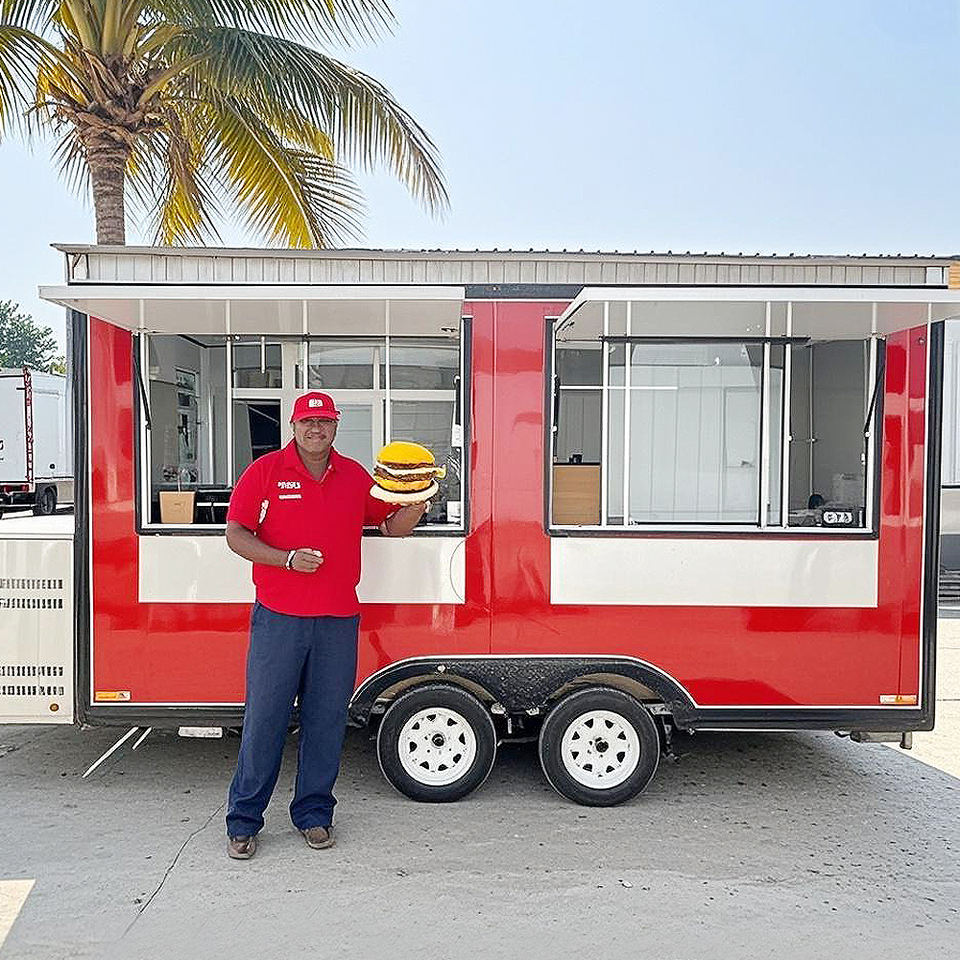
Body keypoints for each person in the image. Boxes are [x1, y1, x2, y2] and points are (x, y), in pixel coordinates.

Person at [223, 391, 427, 859]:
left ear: (335, 426)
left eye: (325, 422)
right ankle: (243, 821)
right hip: (279, 618)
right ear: (294, 426)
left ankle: (314, 815)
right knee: (265, 721)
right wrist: (286, 559)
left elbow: (391, 527)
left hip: (336, 620)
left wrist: (417, 499)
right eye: (307, 422)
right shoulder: (265, 471)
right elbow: (236, 533)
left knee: (326, 722)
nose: (316, 429)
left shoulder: (354, 477)